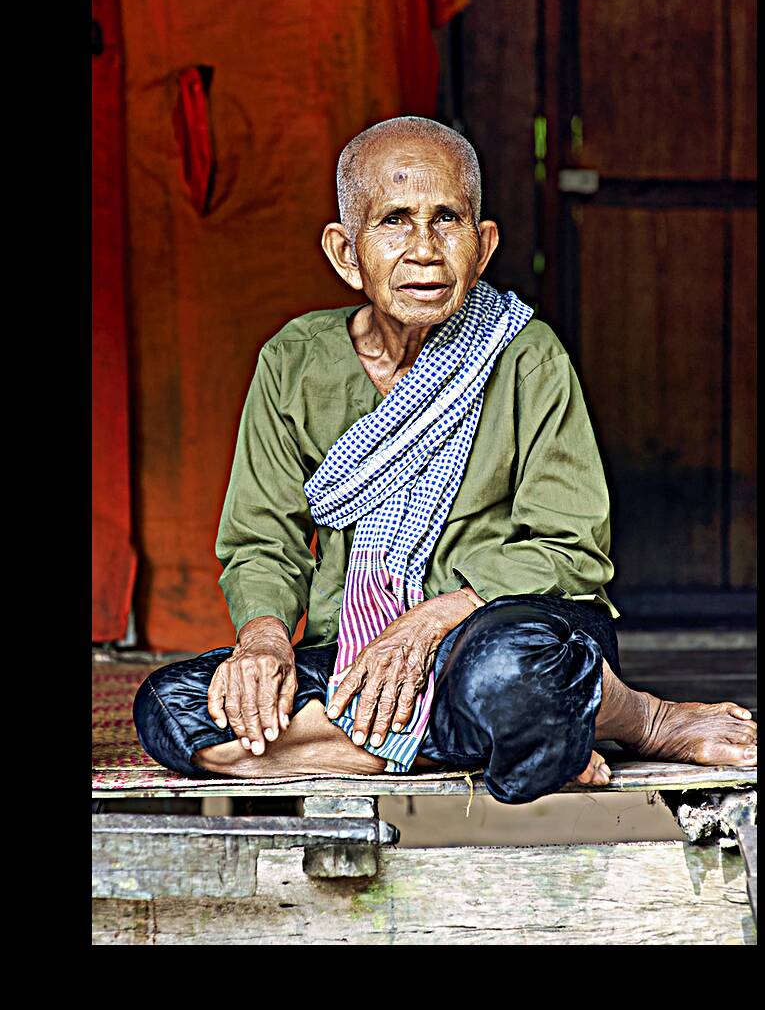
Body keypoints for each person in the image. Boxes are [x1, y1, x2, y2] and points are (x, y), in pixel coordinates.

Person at [133, 116, 757, 805]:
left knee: (511, 674)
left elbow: (570, 549)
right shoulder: (294, 362)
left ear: (482, 245)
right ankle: (524, 735)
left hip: (501, 632)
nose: (425, 250)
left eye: (447, 220)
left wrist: (427, 622)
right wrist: (262, 641)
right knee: (173, 708)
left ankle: (632, 717)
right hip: (355, 657)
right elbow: (262, 540)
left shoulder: (525, 356)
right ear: (345, 252)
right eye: (394, 221)